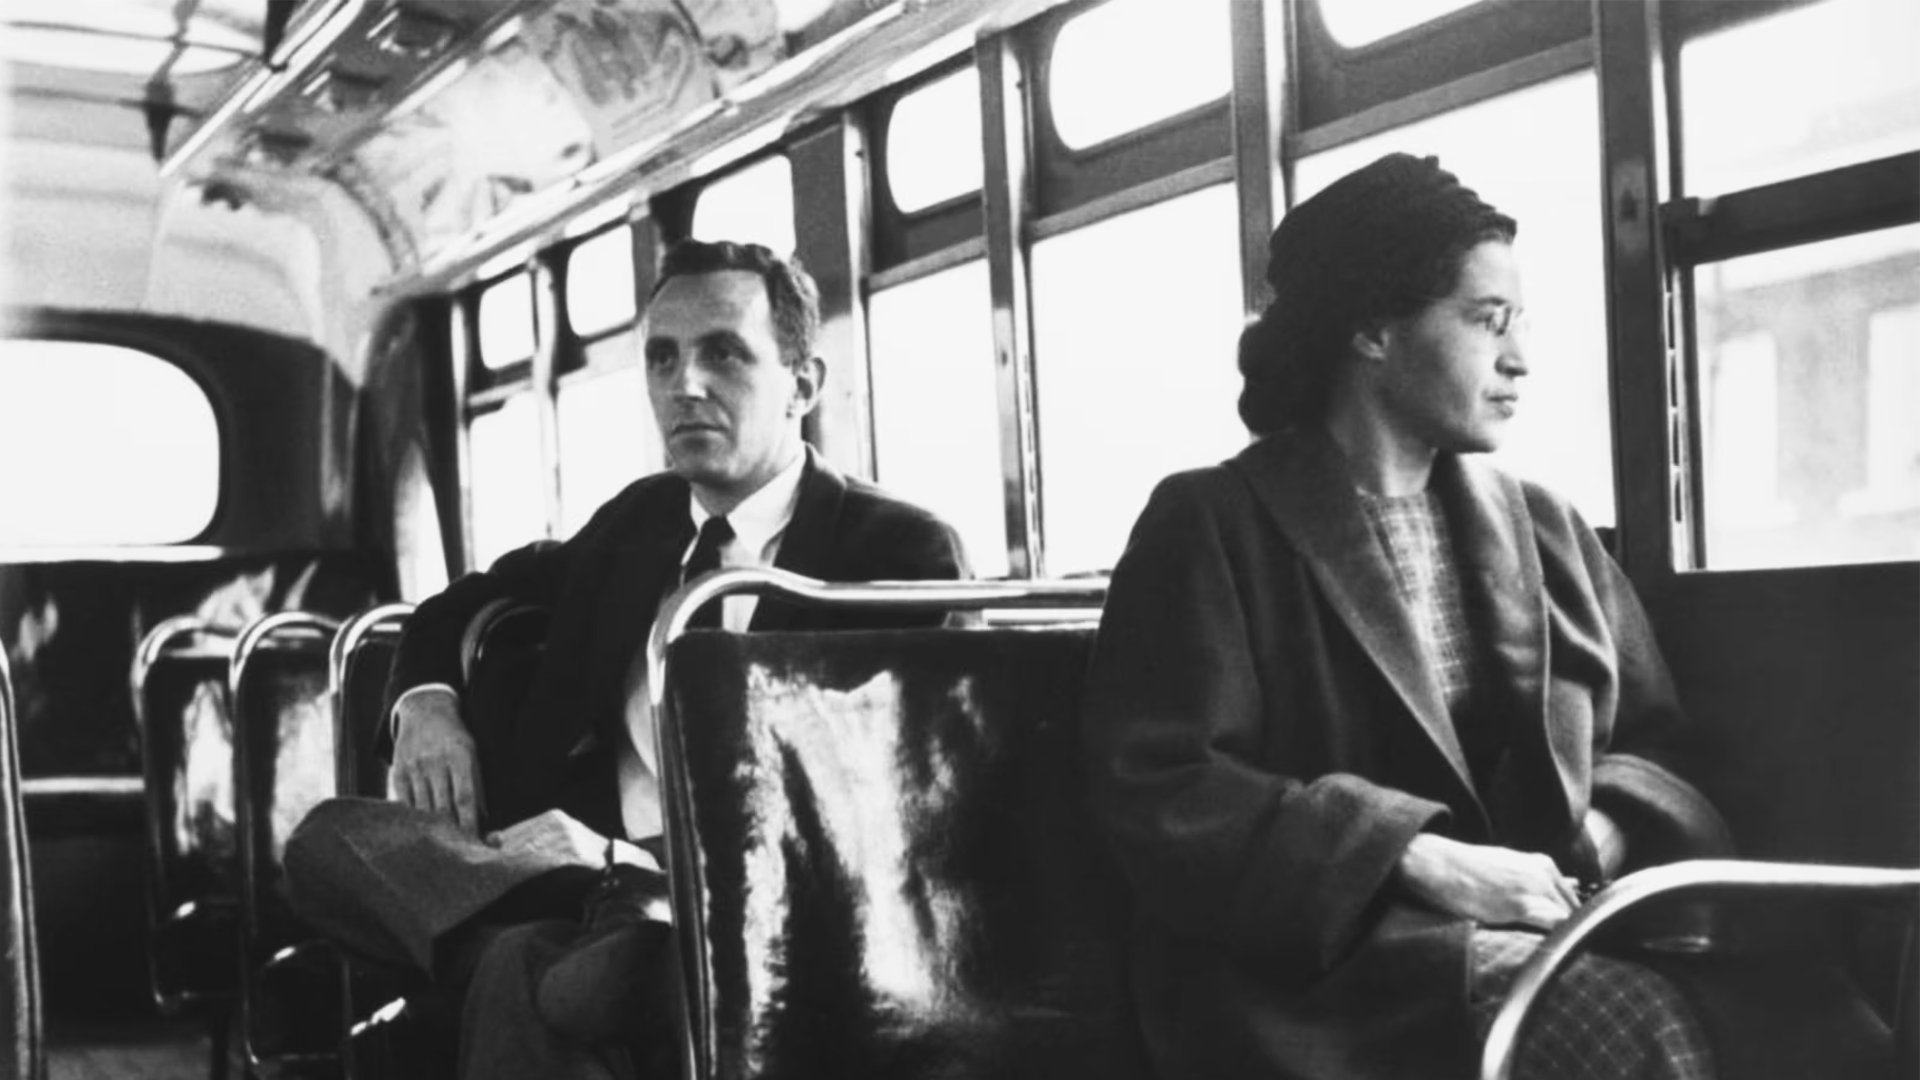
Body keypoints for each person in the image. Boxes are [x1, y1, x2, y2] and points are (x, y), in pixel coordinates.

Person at [1080, 154, 1732, 1080]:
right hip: (1323, 964)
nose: (1520, 358)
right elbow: (1163, 789)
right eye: (1485, 321)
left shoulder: (1543, 523)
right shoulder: (1211, 524)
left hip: (1545, 908)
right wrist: (1413, 859)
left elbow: (1656, 741)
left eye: (1521, 323)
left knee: (1791, 1003)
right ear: (1373, 332)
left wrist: (1601, 832)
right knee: (1624, 1025)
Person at [286, 239, 969, 1079]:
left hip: (769, 904)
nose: (685, 384)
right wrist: (426, 704)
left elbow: (894, 806)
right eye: (662, 357)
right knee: (327, 844)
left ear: (803, 384)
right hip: (570, 877)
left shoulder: (896, 547)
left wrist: (652, 863)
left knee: (515, 970)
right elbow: (457, 604)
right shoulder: (638, 524)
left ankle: (611, 932)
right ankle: (618, 933)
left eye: (724, 352)